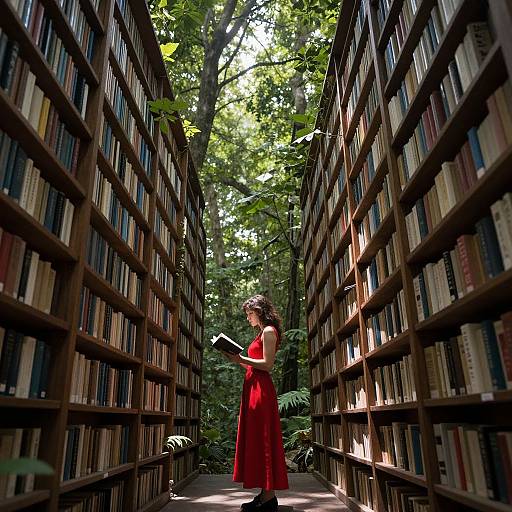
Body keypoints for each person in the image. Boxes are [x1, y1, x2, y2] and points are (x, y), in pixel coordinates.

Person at [222, 294, 289, 512]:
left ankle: (269, 498)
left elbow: (267, 365)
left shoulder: (269, 331)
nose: (248, 318)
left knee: (264, 439)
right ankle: (264, 495)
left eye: (250, 314)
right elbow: (254, 366)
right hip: (252, 388)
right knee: (257, 440)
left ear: (259, 311)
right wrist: (236, 359)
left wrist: (240, 358)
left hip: (261, 392)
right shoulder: (261, 333)